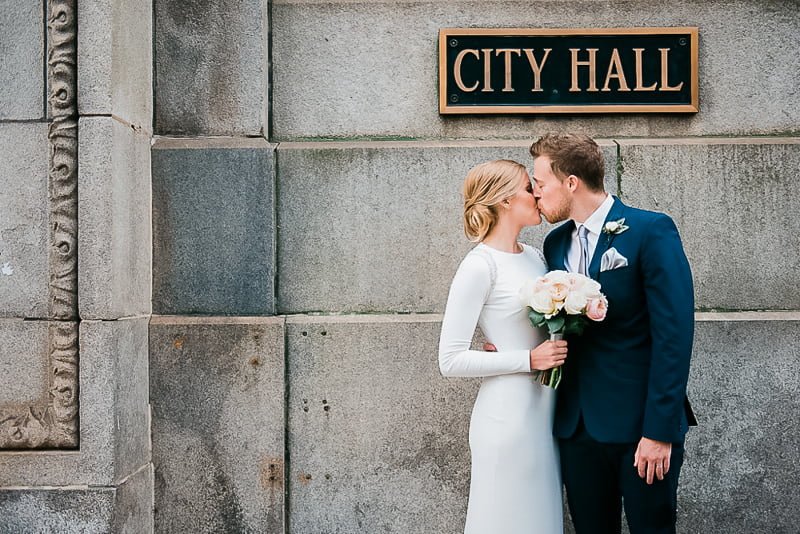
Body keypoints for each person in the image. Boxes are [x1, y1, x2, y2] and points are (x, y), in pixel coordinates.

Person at [529, 133, 697, 534]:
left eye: (540, 183)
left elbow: (674, 335)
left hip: (641, 428)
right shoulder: (554, 244)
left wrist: (658, 431)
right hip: (576, 428)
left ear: (571, 182)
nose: (535, 193)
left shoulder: (650, 230)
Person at [438, 159, 568, 534]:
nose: (537, 195)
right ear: (506, 200)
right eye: (529, 188)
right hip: (505, 415)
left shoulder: (535, 257)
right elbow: (450, 359)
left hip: (544, 410)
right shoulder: (479, 266)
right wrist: (528, 358)